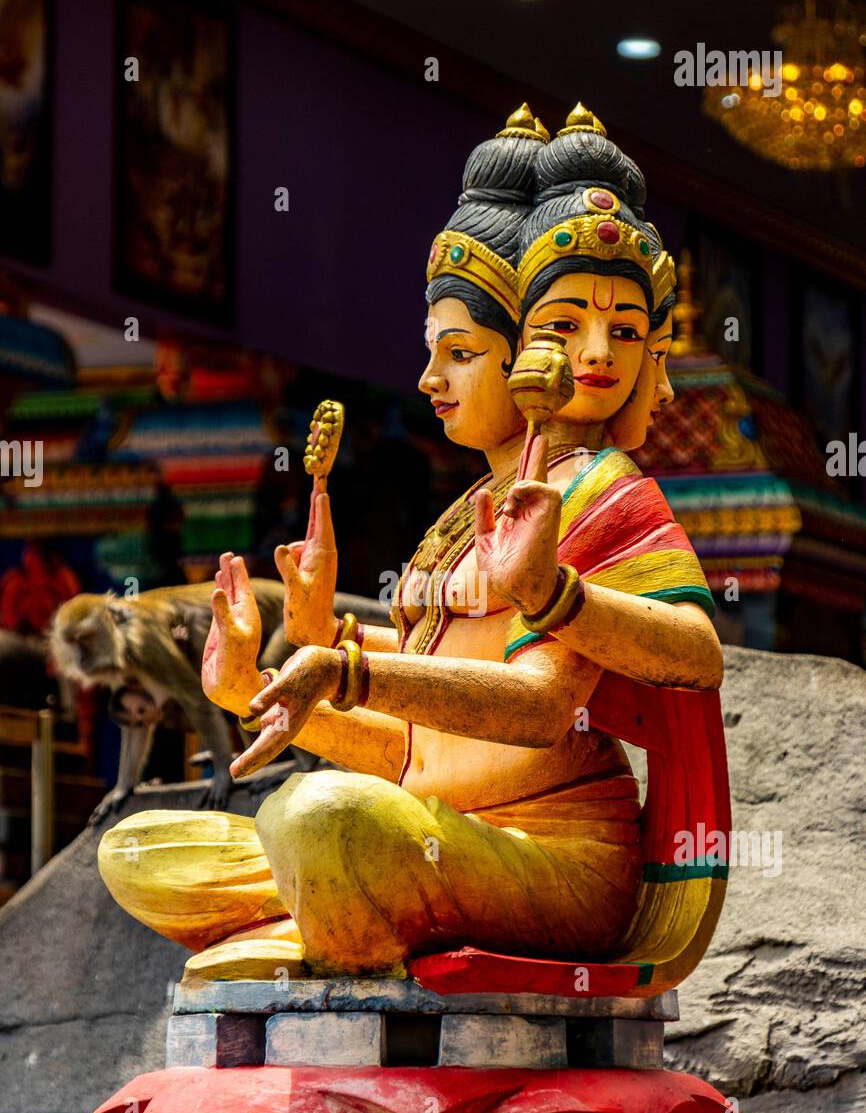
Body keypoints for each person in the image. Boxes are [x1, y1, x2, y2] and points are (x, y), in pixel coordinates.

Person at [100, 106, 724, 990]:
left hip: (555, 858)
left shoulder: (598, 489)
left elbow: (577, 698)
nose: (430, 380)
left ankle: (327, 922)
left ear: (524, 352)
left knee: (321, 818)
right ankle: (331, 910)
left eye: (461, 353)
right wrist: (263, 679)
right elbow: (406, 751)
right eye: (436, 352)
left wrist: (549, 599)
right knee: (145, 848)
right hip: (436, 828)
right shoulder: (468, 510)